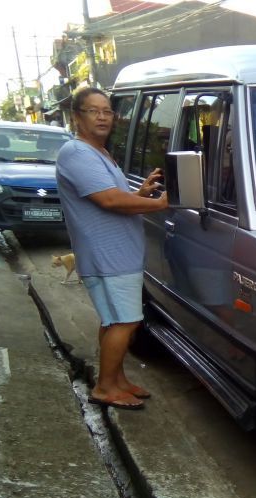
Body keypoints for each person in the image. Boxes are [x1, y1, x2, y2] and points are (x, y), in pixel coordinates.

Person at [56, 87, 168, 410]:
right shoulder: (76, 153)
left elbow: (116, 193)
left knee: (112, 319)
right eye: (94, 111)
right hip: (109, 257)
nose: (103, 116)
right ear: (77, 116)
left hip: (118, 255)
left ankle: (116, 380)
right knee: (125, 322)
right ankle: (105, 387)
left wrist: (143, 192)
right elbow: (108, 200)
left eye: (107, 110)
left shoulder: (100, 152)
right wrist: (159, 204)